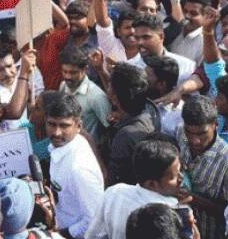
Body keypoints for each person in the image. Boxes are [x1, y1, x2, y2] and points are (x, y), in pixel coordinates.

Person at [86, 139, 186, 239]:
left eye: (179, 171)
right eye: (173, 177)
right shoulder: (170, 212)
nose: (181, 178)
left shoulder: (115, 192)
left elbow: (93, 235)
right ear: (151, 184)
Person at [175, 95, 228, 239]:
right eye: (189, 132)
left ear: (216, 125)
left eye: (202, 133)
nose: (195, 140)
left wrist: (194, 198)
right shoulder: (181, 134)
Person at [46, 92, 104, 239]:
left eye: (64, 126)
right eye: (52, 124)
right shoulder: (63, 146)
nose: (57, 133)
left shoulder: (79, 169)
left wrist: (61, 235)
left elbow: (95, 221)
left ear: (79, 126)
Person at [107, 63, 155, 185]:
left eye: (109, 85)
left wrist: (89, 142)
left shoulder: (126, 136)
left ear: (115, 98)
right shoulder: (151, 110)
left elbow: (111, 182)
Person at [59, 46, 111, 146]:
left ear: (85, 69)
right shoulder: (63, 86)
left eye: (73, 73)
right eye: (65, 71)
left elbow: (109, 129)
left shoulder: (97, 96)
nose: (67, 77)